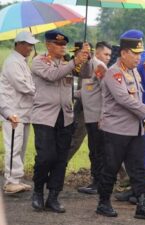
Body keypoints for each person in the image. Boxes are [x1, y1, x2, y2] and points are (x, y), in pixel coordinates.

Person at [95, 30, 145, 220]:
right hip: (116, 130)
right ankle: (103, 203)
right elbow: (124, 99)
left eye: (140, 54)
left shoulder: (132, 71)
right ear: (124, 53)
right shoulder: (114, 73)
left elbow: (137, 96)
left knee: (138, 168)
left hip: (135, 129)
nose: (139, 58)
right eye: (135, 54)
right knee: (111, 167)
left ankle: (142, 205)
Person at [30, 30, 89, 213]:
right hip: (45, 116)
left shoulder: (68, 62)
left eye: (65, 45)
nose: (63, 47)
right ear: (48, 45)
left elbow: (85, 75)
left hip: (66, 116)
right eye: (58, 44)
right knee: (46, 156)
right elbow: (53, 75)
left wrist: (86, 57)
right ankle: (38, 192)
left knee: (61, 159)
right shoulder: (39, 61)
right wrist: (74, 62)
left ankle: (53, 196)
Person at [113, 30, 145, 204]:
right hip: (135, 115)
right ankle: (135, 187)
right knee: (133, 154)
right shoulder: (134, 61)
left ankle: (144, 188)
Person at [0, 31, 39, 194]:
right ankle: (10, 181)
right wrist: (40, 93)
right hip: (13, 112)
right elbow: (22, 86)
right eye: (27, 45)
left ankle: (16, 179)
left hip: (23, 111)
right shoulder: (12, 62)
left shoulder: (21, 61)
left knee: (20, 147)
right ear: (19, 45)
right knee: (14, 147)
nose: (30, 48)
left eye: (31, 45)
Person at [76, 41, 112, 195]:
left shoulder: (99, 67)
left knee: (98, 151)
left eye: (110, 55)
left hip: (98, 117)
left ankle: (99, 183)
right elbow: (85, 91)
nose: (108, 58)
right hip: (90, 117)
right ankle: (97, 180)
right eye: (106, 54)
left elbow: (107, 92)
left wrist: (103, 116)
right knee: (94, 150)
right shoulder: (85, 67)